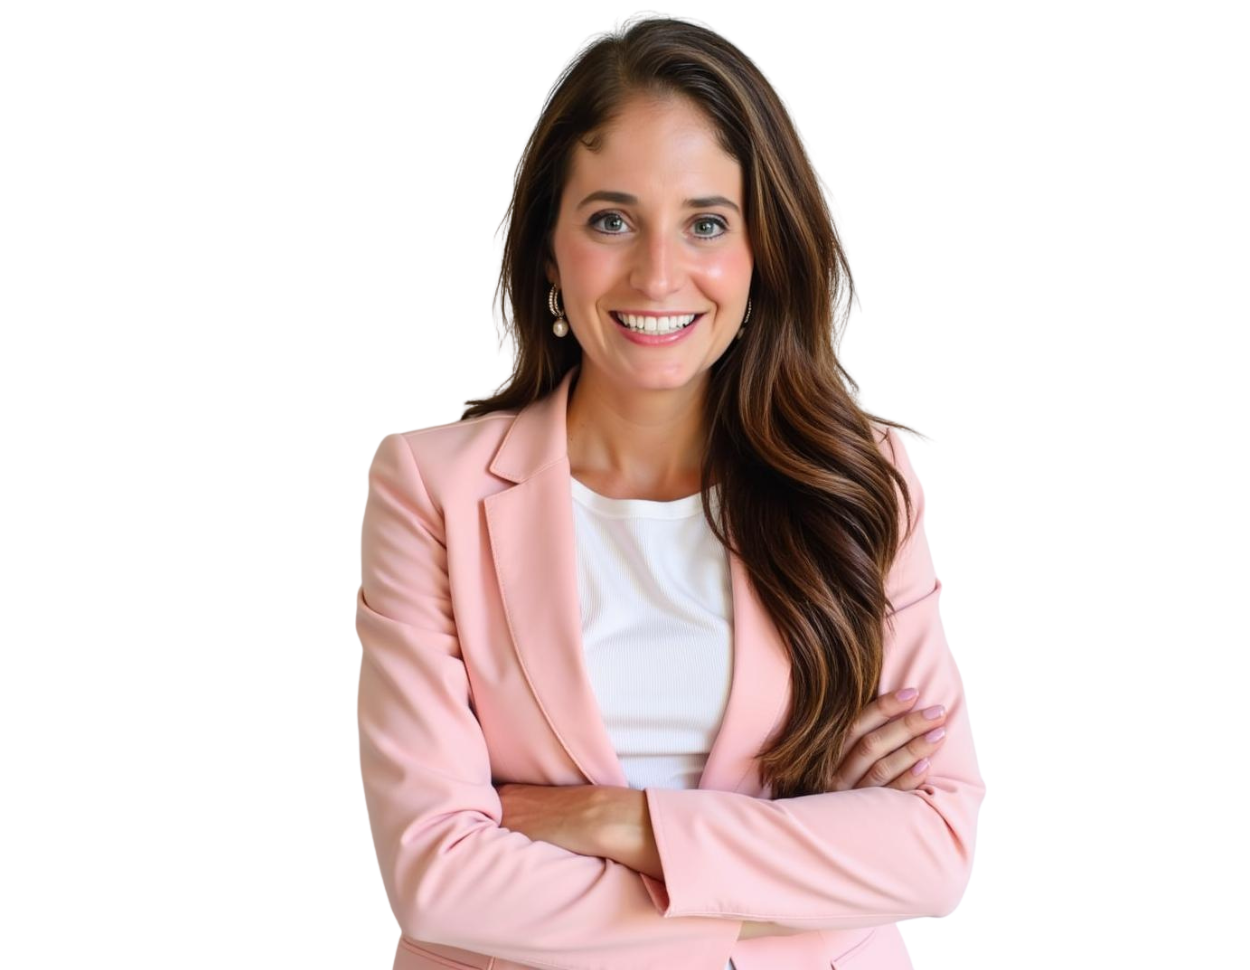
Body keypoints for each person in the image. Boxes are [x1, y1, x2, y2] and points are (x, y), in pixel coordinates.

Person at [356, 11, 985, 970]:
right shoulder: (428, 487)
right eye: (612, 219)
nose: (658, 273)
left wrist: (617, 822)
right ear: (549, 252)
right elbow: (437, 879)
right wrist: (805, 868)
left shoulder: (862, 481)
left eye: (706, 222)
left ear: (759, 254)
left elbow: (936, 852)